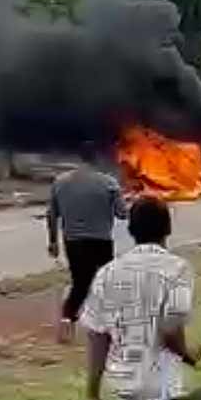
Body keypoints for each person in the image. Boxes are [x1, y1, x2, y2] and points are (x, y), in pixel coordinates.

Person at [79, 196, 201, 400]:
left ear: (130, 230)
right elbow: (171, 330)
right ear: (168, 229)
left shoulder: (108, 273)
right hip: (157, 385)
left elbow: (96, 335)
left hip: (124, 383)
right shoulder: (176, 269)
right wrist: (189, 355)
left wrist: (92, 394)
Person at [47, 141, 127, 343]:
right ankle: (109, 326)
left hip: (73, 241)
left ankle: (67, 319)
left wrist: (53, 242)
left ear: (79, 158)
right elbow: (122, 214)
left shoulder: (60, 182)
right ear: (97, 159)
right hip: (101, 241)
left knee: (80, 283)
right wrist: (127, 199)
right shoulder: (108, 183)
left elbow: (52, 214)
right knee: (106, 284)